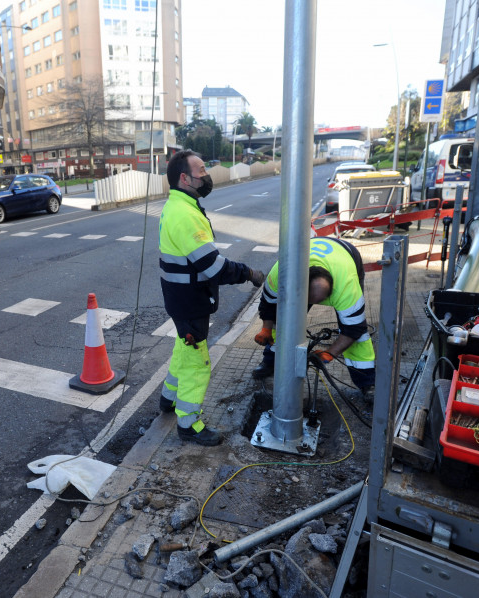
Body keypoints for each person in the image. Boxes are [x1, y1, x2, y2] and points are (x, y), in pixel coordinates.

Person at [159, 150, 266, 446]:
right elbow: (213, 267)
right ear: (185, 178)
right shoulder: (184, 214)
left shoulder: (180, 205)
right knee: (197, 362)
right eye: (202, 170)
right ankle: (188, 424)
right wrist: (249, 273)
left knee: (185, 348)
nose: (207, 175)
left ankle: (168, 398)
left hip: (181, 298)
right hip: (189, 300)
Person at [252, 236, 376, 401]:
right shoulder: (280, 275)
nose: (314, 305)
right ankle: (271, 360)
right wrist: (266, 328)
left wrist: (330, 353)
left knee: (356, 332)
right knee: (283, 319)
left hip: (346, 252)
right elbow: (269, 304)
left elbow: (354, 329)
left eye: (319, 301)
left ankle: (367, 382)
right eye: (310, 301)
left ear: (331, 292)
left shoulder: (346, 287)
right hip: (314, 248)